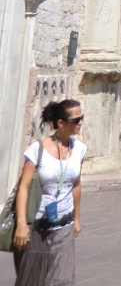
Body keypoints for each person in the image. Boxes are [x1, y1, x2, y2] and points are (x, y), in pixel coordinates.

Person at [12, 99, 86, 286]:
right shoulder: (38, 150)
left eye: (81, 118)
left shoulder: (79, 149)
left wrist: (76, 218)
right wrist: (21, 224)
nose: (80, 123)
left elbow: (76, 185)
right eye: (76, 120)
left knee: (62, 281)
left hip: (64, 226)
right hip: (36, 228)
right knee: (32, 281)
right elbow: (23, 187)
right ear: (61, 123)